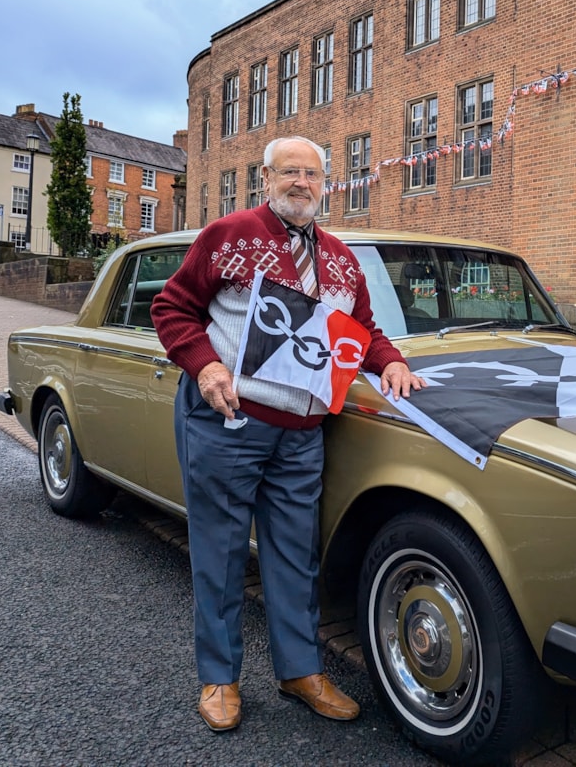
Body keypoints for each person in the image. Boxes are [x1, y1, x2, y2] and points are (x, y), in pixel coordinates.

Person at [151, 136, 425, 732]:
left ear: (327, 183)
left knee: (295, 558)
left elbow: (365, 332)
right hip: (232, 420)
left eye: (313, 173)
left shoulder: (341, 258)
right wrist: (205, 364)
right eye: (290, 172)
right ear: (266, 179)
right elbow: (172, 308)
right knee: (220, 555)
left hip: (302, 434)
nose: (302, 182)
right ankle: (219, 678)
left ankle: (300, 671)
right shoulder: (229, 235)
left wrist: (392, 361)